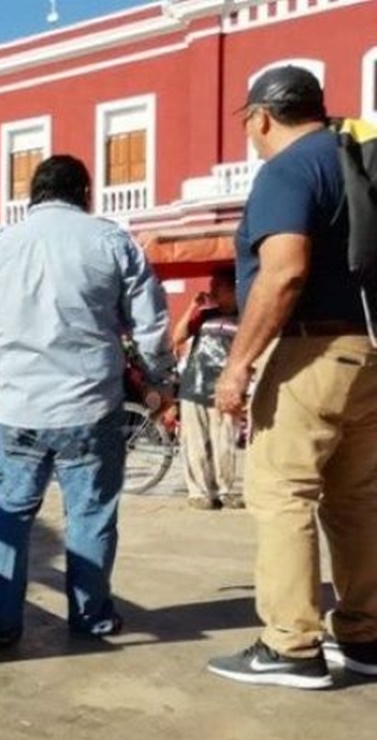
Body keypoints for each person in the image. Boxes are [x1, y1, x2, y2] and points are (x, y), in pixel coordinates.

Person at [0, 154, 174, 644]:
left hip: (17, 408)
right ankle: (90, 616)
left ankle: (1, 623)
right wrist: (160, 378)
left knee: (9, 512)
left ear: (32, 195)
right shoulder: (113, 242)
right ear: (86, 193)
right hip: (89, 406)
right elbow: (151, 321)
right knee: (91, 515)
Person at [208, 66, 377, 690]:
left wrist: (238, 364)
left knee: (282, 493)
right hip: (368, 349)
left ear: (261, 117)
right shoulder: (352, 157)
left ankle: (291, 646)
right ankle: (365, 636)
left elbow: (284, 271)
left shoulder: (287, 169)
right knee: (357, 500)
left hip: (312, 352)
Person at [172, 268, 240, 511]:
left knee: (226, 442)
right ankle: (199, 492)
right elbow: (177, 338)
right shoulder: (203, 316)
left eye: (217, 288)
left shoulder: (245, 317)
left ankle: (227, 490)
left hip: (225, 389)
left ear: (232, 289)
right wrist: (192, 306)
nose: (212, 292)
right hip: (194, 385)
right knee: (195, 442)